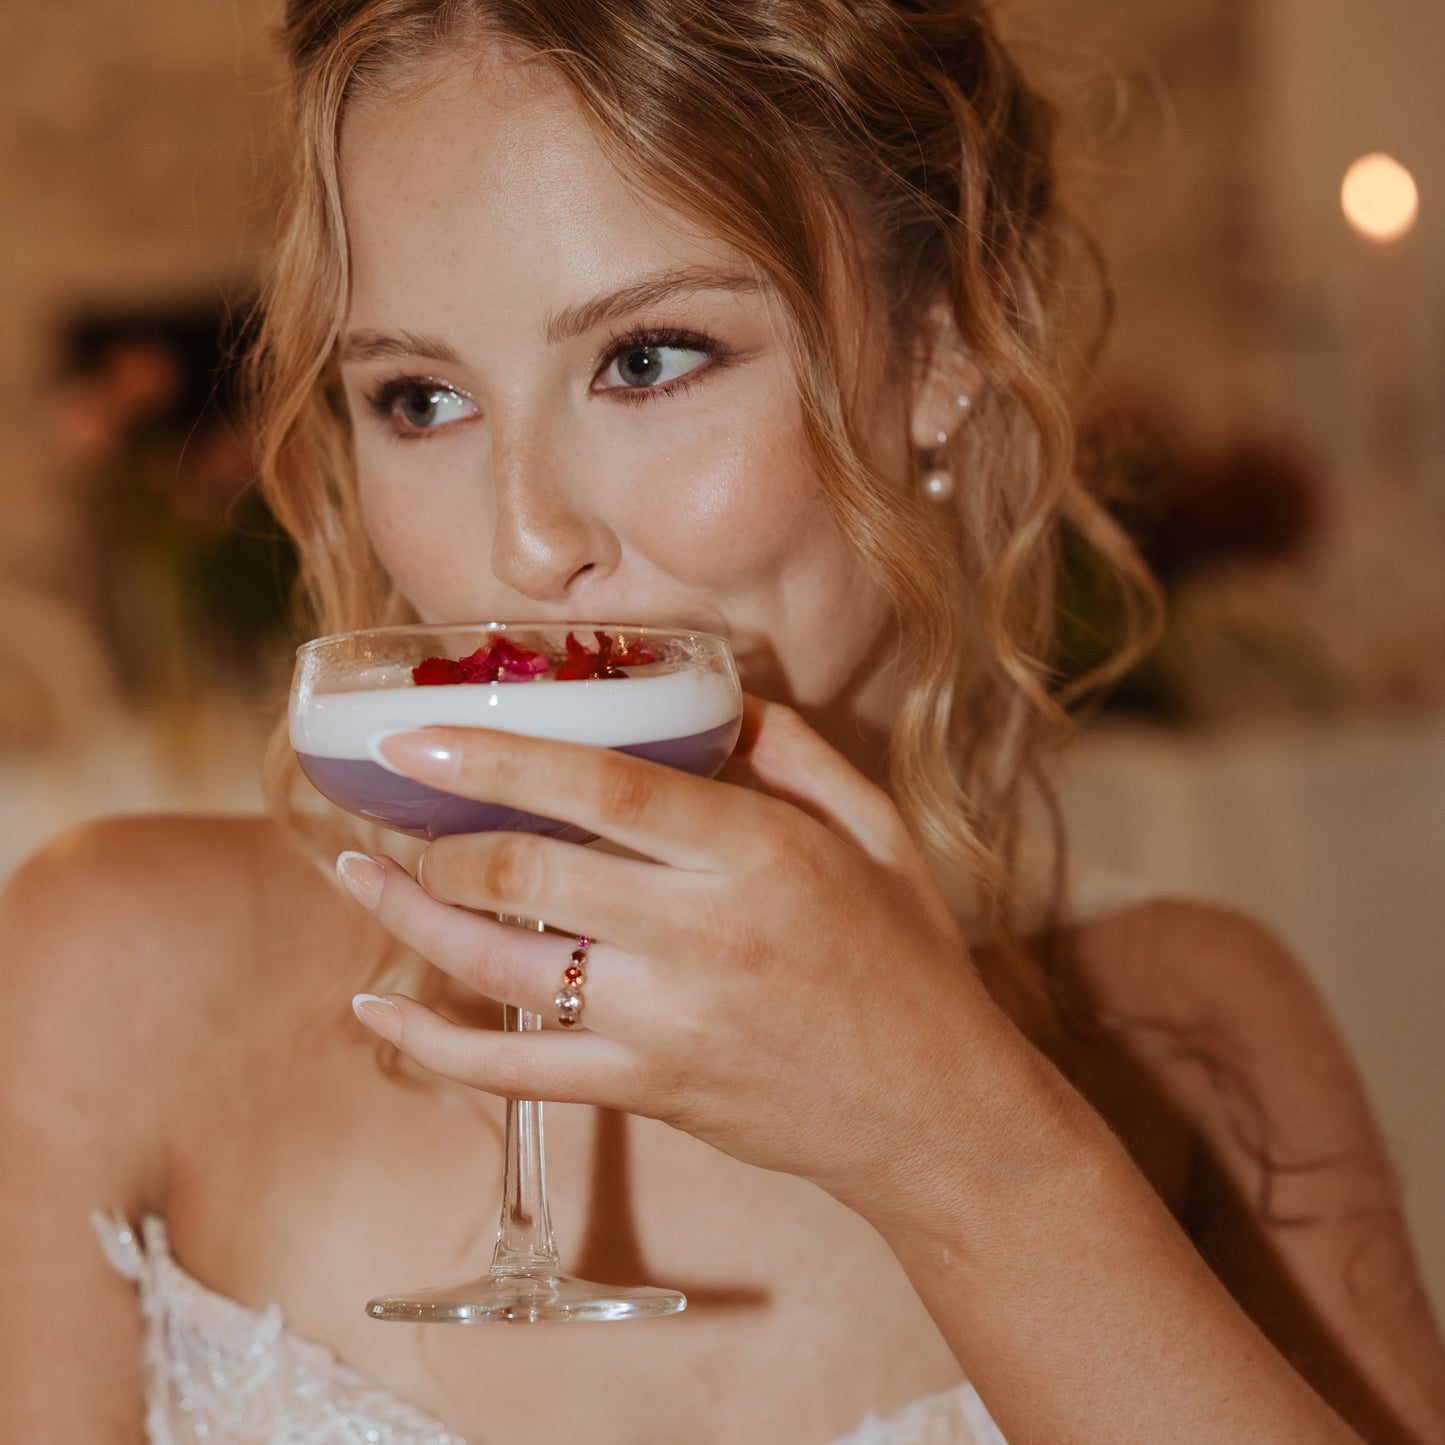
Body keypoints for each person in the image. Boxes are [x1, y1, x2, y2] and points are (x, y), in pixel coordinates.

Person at [3, 2, 1443, 1441]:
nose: (523, 546)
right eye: (421, 397)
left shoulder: (1190, 1041)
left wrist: (960, 1142)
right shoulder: (114, 975)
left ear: (943, 340)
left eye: (645, 359)